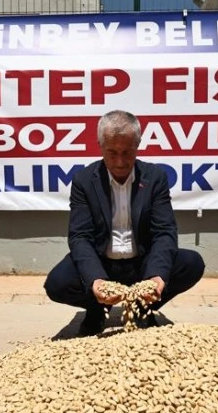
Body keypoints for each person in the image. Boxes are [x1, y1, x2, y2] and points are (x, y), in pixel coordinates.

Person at [44, 110, 205, 336]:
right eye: (112, 153)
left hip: (141, 262)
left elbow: (164, 231)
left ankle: (143, 308)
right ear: (100, 146)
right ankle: (97, 309)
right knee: (58, 283)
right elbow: (80, 236)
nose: (120, 162)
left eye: (127, 152)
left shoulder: (155, 178)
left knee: (191, 263)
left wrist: (156, 275)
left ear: (137, 145)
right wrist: (96, 280)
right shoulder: (84, 181)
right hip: (103, 262)